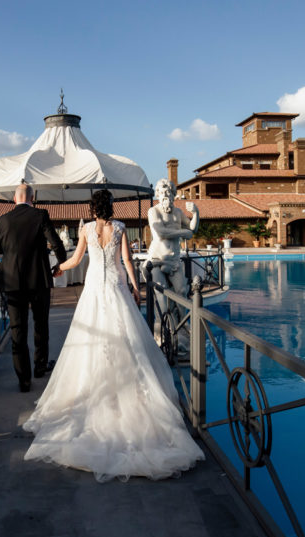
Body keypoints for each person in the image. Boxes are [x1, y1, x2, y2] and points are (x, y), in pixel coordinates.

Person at [23, 189, 204, 482]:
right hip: (115, 289)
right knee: (127, 342)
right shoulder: (119, 228)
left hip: (94, 291)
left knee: (91, 344)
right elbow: (127, 263)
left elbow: (76, 260)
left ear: (93, 209)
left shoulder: (85, 229)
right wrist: (135, 288)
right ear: (110, 208)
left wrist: (56, 270)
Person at [0, 183, 67, 393]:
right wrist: (61, 264)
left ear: (14, 199)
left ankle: (24, 380)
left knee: (18, 329)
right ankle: (40, 367)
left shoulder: (1, 221)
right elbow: (56, 243)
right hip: (39, 280)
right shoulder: (40, 215)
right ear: (32, 198)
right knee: (41, 325)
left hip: (12, 281)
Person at [146, 178, 199, 307]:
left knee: (182, 291)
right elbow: (161, 233)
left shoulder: (178, 212)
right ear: (158, 194)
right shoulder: (153, 211)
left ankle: (182, 324)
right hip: (157, 259)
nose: (165, 195)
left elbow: (193, 228)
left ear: (173, 194)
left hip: (174, 259)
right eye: (162, 192)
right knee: (161, 292)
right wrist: (182, 233)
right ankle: (164, 323)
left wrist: (196, 213)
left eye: (168, 192)